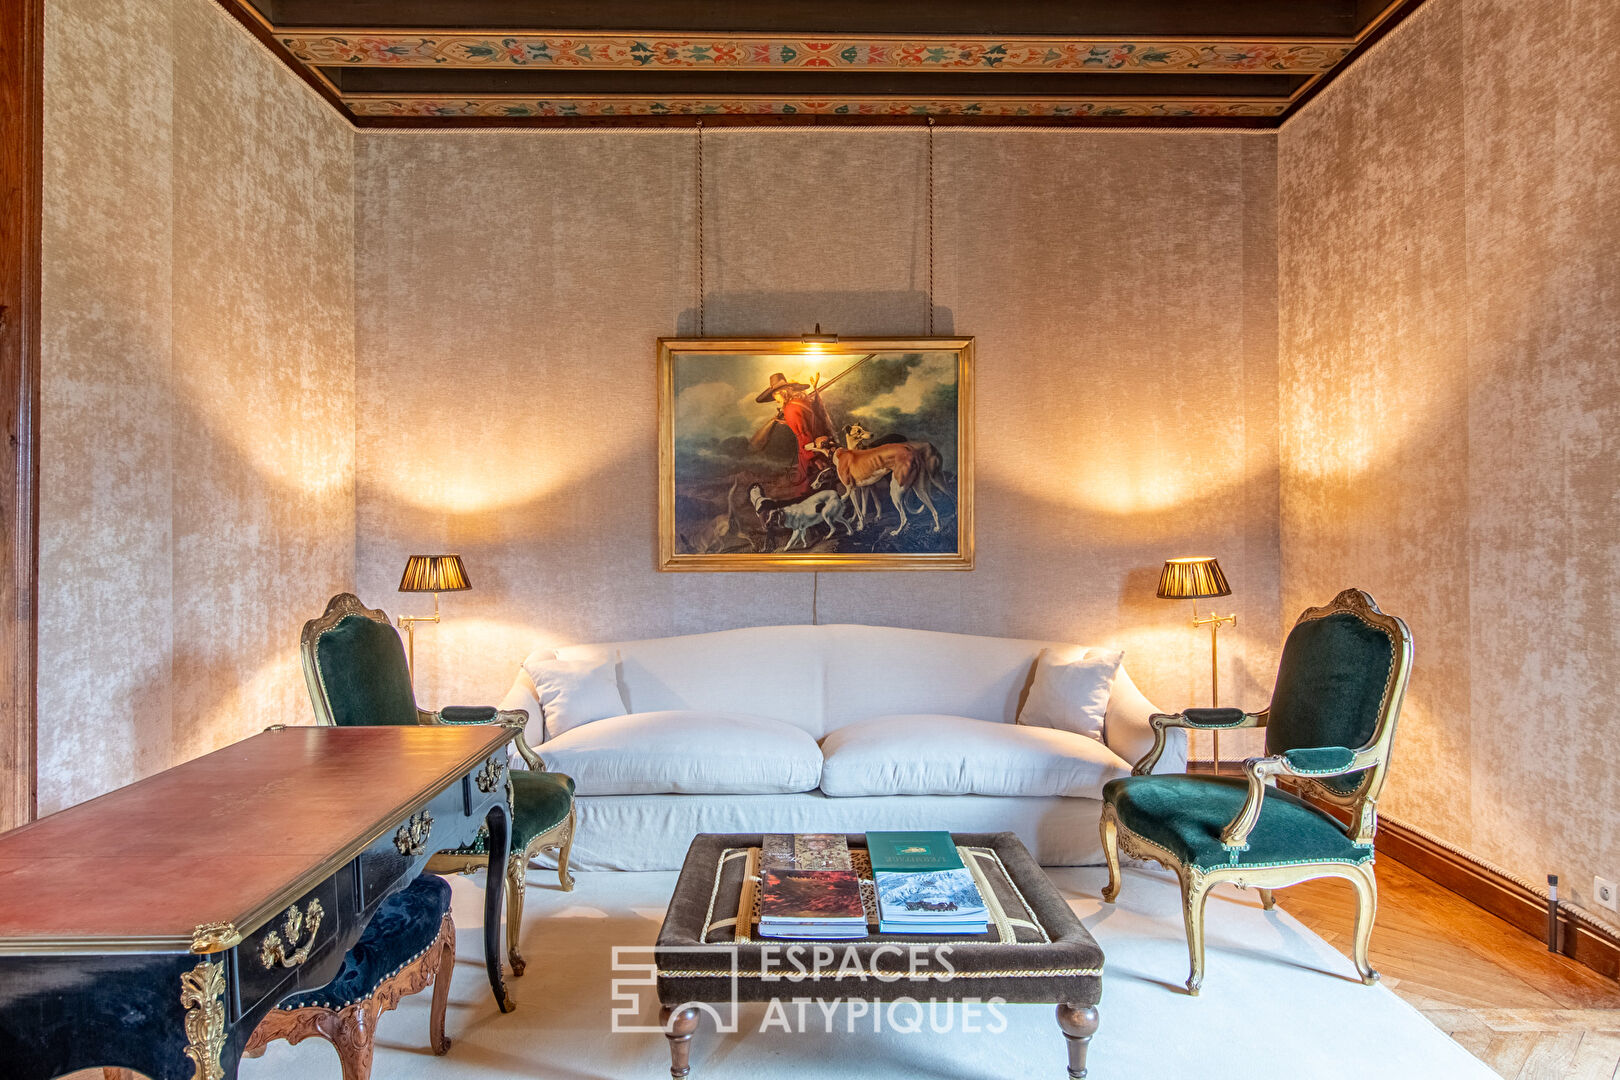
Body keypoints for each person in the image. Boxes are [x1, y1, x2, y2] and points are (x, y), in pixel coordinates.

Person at [748, 372, 833, 494]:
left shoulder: (790, 409)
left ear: (781, 393)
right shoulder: (800, 403)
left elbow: (803, 435)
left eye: (775, 395)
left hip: (812, 453)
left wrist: (814, 459)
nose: (776, 400)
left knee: (809, 489)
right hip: (821, 448)